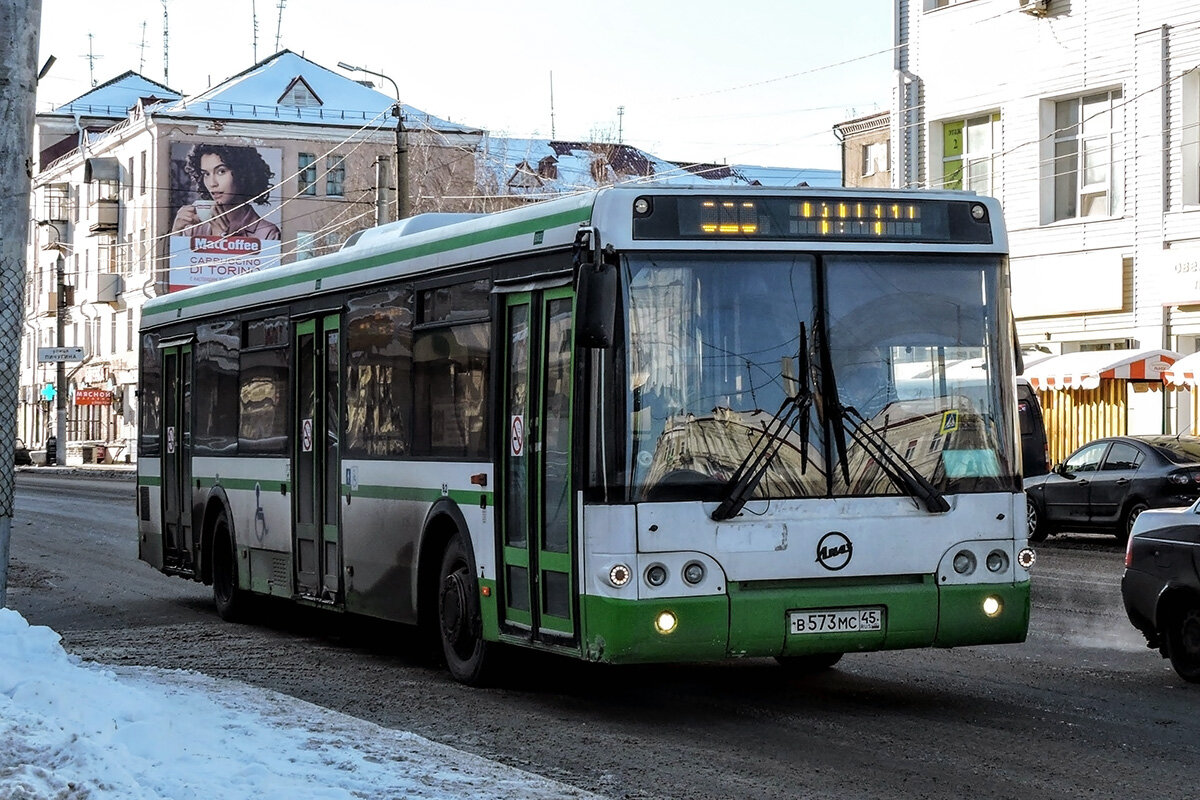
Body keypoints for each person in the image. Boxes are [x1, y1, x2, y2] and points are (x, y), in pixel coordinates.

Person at [171, 143, 281, 240]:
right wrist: (176, 234)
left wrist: (219, 239)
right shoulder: (193, 229)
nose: (212, 183)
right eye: (206, 174)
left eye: (221, 171)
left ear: (242, 173)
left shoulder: (268, 234)